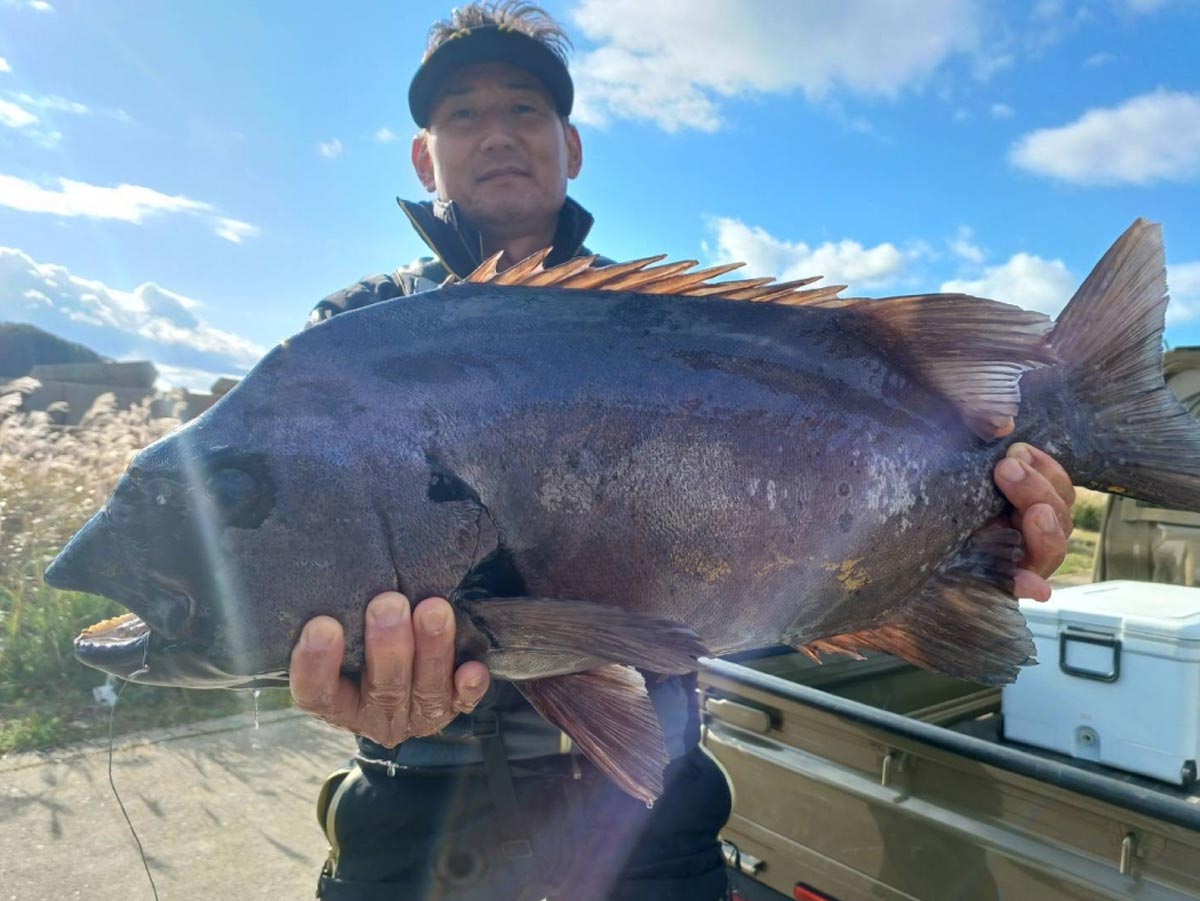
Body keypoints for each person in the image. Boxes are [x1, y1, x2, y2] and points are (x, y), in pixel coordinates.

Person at [290, 4, 1077, 899]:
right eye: (462, 112)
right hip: (414, 805)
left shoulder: (671, 326)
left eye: (525, 108)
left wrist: (983, 523)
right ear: (424, 157)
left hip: (646, 809)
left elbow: (798, 529)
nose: (497, 132)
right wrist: (321, 672)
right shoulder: (352, 335)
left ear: (571, 146)